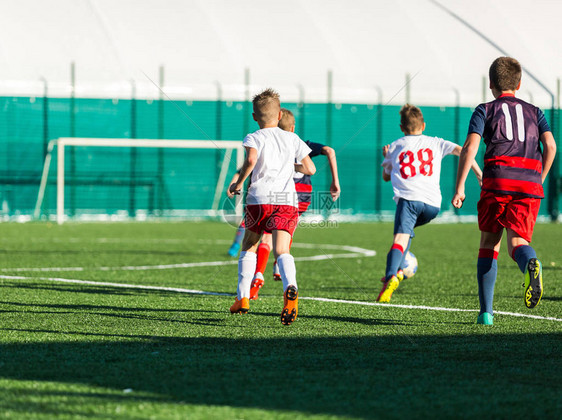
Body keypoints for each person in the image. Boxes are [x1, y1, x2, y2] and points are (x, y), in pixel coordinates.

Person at [452, 56, 556, 325]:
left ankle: (486, 313)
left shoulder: (485, 109)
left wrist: (460, 185)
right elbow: (552, 146)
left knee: (489, 245)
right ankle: (530, 264)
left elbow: (470, 148)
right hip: (529, 184)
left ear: (491, 84)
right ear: (519, 84)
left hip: (497, 181)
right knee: (518, 244)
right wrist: (539, 178)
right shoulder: (536, 111)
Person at [378, 104, 482, 303]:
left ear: (402, 127)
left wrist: (387, 157)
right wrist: (479, 174)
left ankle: (391, 275)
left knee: (400, 238)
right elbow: (463, 150)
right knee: (406, 232)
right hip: (433, 206)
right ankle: (399, 270)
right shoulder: (436, 142)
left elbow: (385, 176)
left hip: (409, 200)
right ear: (423, 125)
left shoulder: (395, 145)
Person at [228, 88, 316, 326]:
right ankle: (290, 288)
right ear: (279, 116)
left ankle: (243, 297)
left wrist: (238, 181)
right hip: (286, 201)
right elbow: (310, 169)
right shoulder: (292, 138)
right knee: (282, 249)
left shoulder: (254, 137)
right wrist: (290, 168)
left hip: (259, 199)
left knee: (249, 245)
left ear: (255, 117)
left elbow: (251, 160)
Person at [248, 108, 341, 300]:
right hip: (301, 196)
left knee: (266, 238)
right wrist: (335, 181)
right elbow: (329, 150)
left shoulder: (268, 143)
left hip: (278, 193)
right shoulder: (300, 143)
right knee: (285, 235)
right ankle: (278, 266)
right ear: (293, 127)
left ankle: (257, 276)